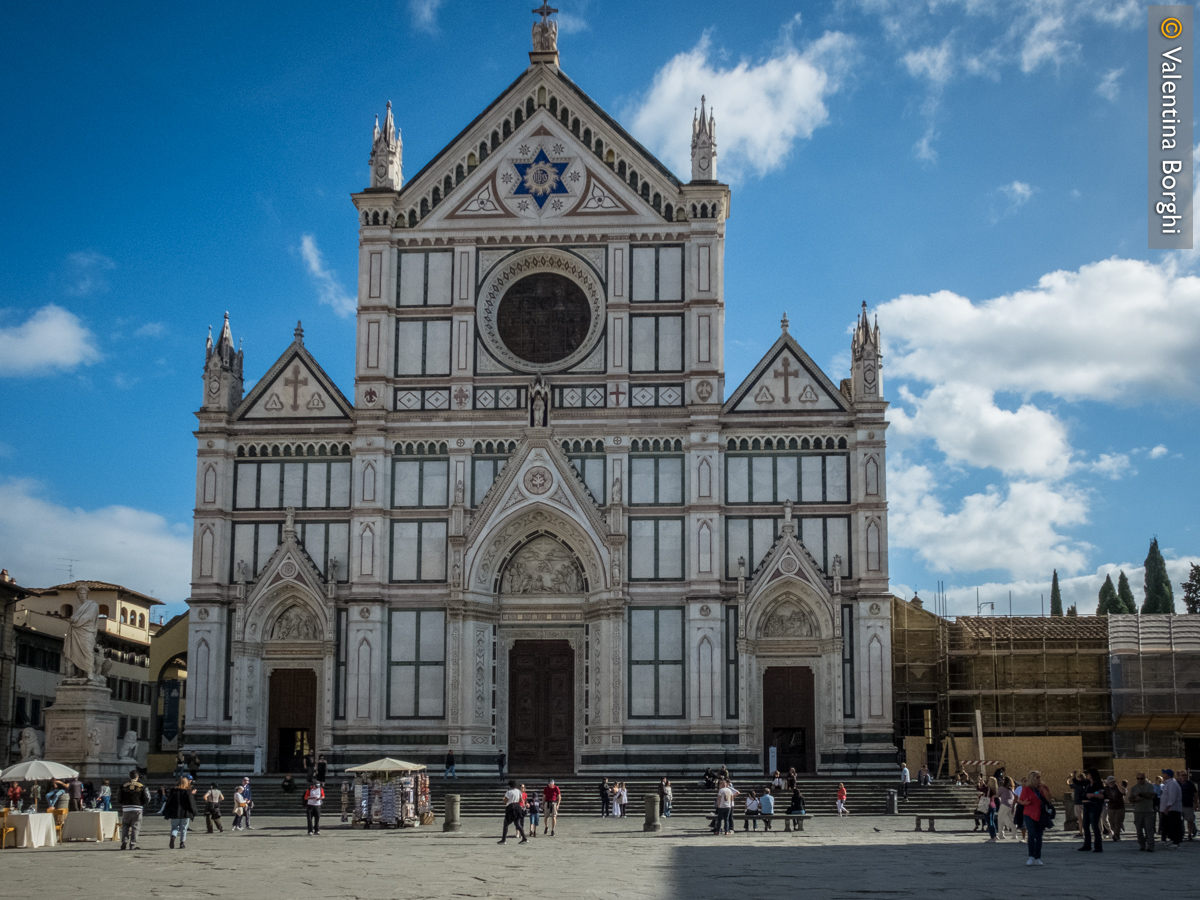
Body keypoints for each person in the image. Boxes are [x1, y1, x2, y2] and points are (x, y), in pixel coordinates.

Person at [1016, 770, 1051, 866]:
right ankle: (1031, 856)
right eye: (1037, 777)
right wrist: (1024, 803)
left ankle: (1038, 857)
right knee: (1031, 834)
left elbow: (1049, 800)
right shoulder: (1026, 789)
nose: (1039, 779)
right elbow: (1020, 800)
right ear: (1032, 779)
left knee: (1039, 836)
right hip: (1029, 814)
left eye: (1040, 777)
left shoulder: (1043, 788)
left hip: (1040, 814)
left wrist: (1045, 792)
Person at [117, 768, 150, 851]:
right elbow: (147, 798)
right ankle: (133, 844)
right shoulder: (142, 786)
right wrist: (143, 803)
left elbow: (118, 797)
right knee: (135, 826)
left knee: (125, 825)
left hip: (126, 809)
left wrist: (122, 802)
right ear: (137, 777)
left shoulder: (123, 786)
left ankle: (124, 841)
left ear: (129, 776)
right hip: (137, 808)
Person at [164, 775, 197, 849]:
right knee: (183, 828)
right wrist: (194, 811)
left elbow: (169, 801)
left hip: (175, 812)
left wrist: (166, 811)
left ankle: (173, 836)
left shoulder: (173, 791)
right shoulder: (188, 791)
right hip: (185, 813)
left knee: (174, 827)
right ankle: (182, 843)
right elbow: (191, 803)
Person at [1128, 771, 1157, 852]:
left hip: (1148, 811)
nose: (1139, 780)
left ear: (1144, 778)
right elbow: (1130, 798)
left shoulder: (1150, 786)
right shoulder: (1134, 788)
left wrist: (1142, 794)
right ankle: (1142, 844)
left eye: (1141, 778)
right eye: (1138, 778)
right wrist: (1135, 799)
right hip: (1138, 811)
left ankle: (1151, 846)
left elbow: (1152, 795)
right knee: (1139, 830)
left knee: (1149, 829)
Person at [1079, 768, 1105, 852]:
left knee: (1094, 825)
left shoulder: (1099, 783)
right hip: (1086, 805)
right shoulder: (1087, 783)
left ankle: (1098, 846)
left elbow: (1101, 792)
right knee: (1085, 825)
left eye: (1088, 773)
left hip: (1095, 805)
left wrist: (1093, 794)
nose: (1087, 775)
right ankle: (1087, 845)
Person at [1160, 768, 1184, 847]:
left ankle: (1176, 842)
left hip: (1173, 809)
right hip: (1167, 809)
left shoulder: (1172, 783)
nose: (1163, 774)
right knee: (1167, 825)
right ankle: (1172, 839)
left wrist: (1167, 807)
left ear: (1167, 775)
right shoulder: (1167, 783)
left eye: (1164, 773)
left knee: (1174, 825)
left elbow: (1172, 797)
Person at [1103, 776, 1126, 841]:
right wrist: (1095, 793)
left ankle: (1116, 835)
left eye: (1112, 782)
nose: (1110, 783)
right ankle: (1115, 834)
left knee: (1117, 821)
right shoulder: (1106, 788)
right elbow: (1101, 793)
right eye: (1109, 782)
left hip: (1119, 807)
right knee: (1112, 822)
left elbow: (1123, 791)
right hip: (1111, 807)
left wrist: (1118, 784)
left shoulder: (1118, 787)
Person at [1182, 770, 1198, 841]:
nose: (1184, 777)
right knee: (1180, 821)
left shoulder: (1190, 784)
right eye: (1183, 775)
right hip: (1179, 804)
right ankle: (1180, 833)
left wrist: (1196, 803)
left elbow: (1196, 794)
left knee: (1190, 820)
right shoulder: (1177, 784)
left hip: (1189, 804)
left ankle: (1190, 833)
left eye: (1185, 775)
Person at [984, 776, 999, 842]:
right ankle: (994, 835)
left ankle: (992, 836)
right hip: (993, 806)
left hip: (988, 806)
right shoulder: (995, 789)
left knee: (989, 822)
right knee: (992, 821)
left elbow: (980, 789)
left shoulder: (989, 789)